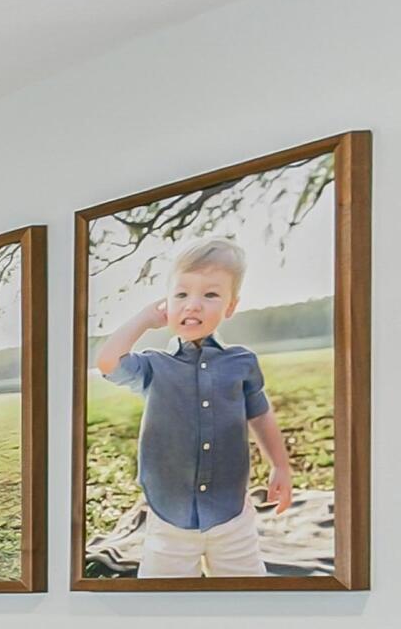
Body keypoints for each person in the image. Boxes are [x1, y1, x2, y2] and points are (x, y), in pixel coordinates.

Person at [92, 239, 292, 578]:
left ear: (230, 306)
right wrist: (145, 319)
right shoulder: (155, 365)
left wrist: (280, 466)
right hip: (169, 516)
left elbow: (259, 414)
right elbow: (107, 362)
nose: (193, 305)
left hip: (231, 513)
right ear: (166, 304)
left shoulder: (241, 361)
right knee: (160, 601)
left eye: (210, 295)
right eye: (181, 294)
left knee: (249, 595)